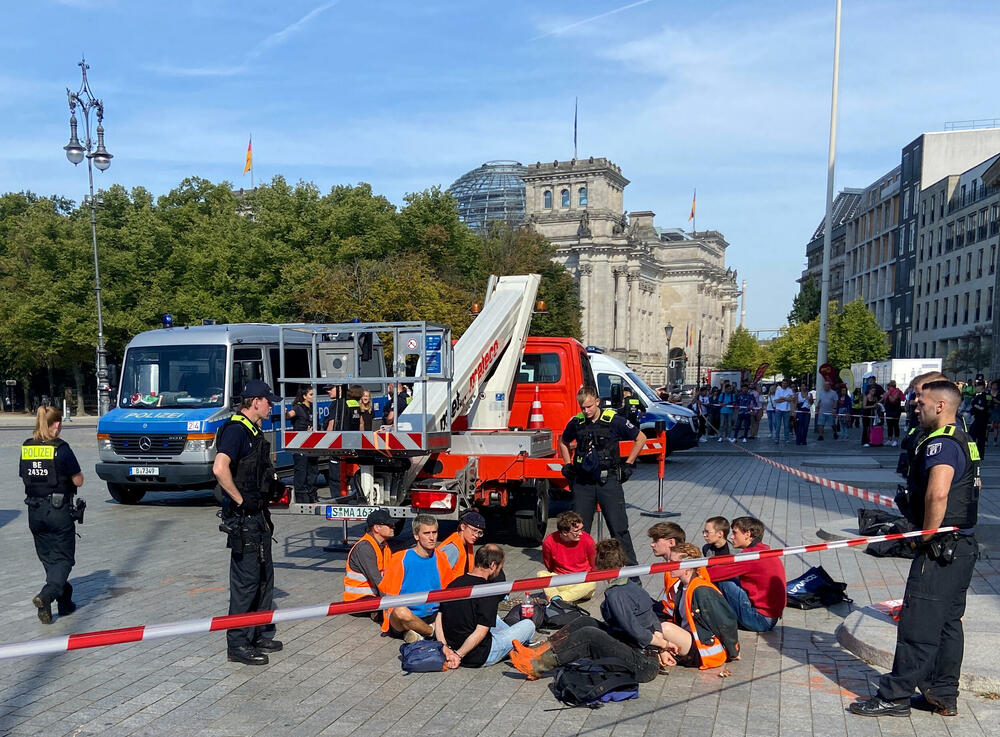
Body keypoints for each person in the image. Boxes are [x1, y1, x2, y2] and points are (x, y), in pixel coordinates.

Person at [850, 380, 980, 718]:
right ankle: (942, 693)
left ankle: (895, 697)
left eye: (921, 401)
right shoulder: (964, 438)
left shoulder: (941, 444)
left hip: (940, 548)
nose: (915, 406)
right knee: (949, 623)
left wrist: (925, 535)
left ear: (940, 406)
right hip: (962, 546)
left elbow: (938, 493)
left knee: (918, 624)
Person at [509, 542, 666, 682]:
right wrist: (659, 641)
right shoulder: (631, 585)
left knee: (589, 635)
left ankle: (536, 665)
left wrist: (663, 644)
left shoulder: (616, 594)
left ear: (598, 566)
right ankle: (536, 652)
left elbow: (636, 631)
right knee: (586, 622)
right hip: (643, 656)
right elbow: (651, 617)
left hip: (641, 665)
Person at [213, 380, 284, 665]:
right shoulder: (236, 430)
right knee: (246, 582)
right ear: (255, 401)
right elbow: (220, 468)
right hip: (245, 520)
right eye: (268, 401)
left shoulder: (254, 431)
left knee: (264, 578)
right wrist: (241, 500)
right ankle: (238, 643)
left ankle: (258, 631)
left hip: (259, 517)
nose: (271, 405)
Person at [559, 386, 646, 566]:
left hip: (609, 481)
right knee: (577, 530)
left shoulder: (613, 420)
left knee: (619, 528)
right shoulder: (577, 422)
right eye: (583, 408)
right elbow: (563, 441)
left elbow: (641, 438)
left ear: (597, 402)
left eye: (589, 406)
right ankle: (576, 570)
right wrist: (567, 464)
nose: (586, 411)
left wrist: (628, 464)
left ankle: (631, 572)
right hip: (583, 484)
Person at [20, 407, 84, 624]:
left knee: (49, 558)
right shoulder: (61, 449)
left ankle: (64, 602)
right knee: (64, 560)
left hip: (35, 513)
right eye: (57, 423)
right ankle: (45, 596)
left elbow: (25, 477)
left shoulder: (27, 448)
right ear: (54, 424)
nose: (59, 426)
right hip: (58, 512)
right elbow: (78, 480)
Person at [436, 544, 535, 668]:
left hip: (451, 646)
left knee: (495, 618)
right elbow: (480, 632)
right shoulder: (487, 592)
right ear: (493, 565)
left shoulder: (453, 584)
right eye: (500, 567)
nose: (499, 571)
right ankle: (516, 644)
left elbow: (439, 618)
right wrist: (458, 655)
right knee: (528, 625)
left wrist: (444, 647)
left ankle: (512, 639)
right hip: (479, 655)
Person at [658, 543, 740, 669]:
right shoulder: (683, 586)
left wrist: (733, 651)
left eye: (673, 562)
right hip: (691, 639)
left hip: (704, 649)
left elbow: (725, 622)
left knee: (665, 628)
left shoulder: (702, 591)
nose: (668, 565)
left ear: (687, 567)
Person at [379, 514, 454, 642]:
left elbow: (449, 590)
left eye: (434, 532)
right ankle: (431, 632)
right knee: (401, 612)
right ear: (416, 535)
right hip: (406, 615)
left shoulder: (441, 557)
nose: (432, 538)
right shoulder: (400, 559)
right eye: (426, 533)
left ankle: (417, 632)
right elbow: (389, 596)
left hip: (433, 615)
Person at [708, 516, 785, 632]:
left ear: (747, 534)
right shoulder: (763, 550)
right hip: (771, 616)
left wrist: (690, 569)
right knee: (729, 578)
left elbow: (713, 574)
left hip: (761, 620)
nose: (731, 537)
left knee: (723, 581)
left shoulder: (750, 556)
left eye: (735, 533)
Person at [343, 508, 395, 611]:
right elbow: (377, 580)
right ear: (377, 528)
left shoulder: (384, 546)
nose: (393, 527)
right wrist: (393, 602)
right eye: (389, 525)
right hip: (357, 601)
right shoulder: (365, 548)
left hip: (373, 596)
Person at [538, 510, 597, 602]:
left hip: (581, 582)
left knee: (591, 583)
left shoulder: (587, 540)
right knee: (541, 574)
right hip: (562, 580)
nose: (581, 533)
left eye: (582, 529)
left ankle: (557, 599)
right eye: (577, 531)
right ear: (565, 532)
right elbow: (549, 565)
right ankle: (562, 598)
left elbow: (594, 565)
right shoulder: (549, 542)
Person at [286, 385, 319, 503]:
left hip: (312, 443)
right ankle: (301, 496)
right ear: (304, 396)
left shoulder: (312, 408)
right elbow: (290, 414)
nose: (313, 397)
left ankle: (311, 493)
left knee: (313, 469)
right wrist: (285, 413)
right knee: (301, 470)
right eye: (311, 394)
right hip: (300, 444)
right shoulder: (299, 408)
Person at [437, 510, 486, 578]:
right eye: (474, 530)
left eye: (479, 533)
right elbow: (438, 576)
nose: (476, 535)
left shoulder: (467, 545)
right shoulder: (452, 549)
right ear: (463, 527)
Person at [969, 380, 991, 457]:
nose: (976, 388)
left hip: (982, 418)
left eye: (977, 386)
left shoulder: (986, 395)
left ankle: (978, 454)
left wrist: (976, 406)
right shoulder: (978, 395)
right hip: (978, 417)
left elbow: (984, 407)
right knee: (975, 436)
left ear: (981, 387)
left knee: (976, 436)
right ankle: (977, 454)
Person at [883, 380, 904, 447]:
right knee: (889, 425)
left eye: (888, 388)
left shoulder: (897, 392)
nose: (888, 389)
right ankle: (889, 439)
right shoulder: (888, 392)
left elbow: (893, 400)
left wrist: (888, 395)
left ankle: (896, 440)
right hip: (889, 411)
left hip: (895, 411)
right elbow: (884, 399)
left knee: (895, 425)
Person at [772, 379, 793, 443]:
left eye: (785, 383)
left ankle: (787, 438)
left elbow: (791, 399)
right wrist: (786, 399)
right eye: (783, 383)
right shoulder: (778, 390)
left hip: (786, 410)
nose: (784, 384)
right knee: (778, 425)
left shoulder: (790, 390)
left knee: (786, 425)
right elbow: (776, 400)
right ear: (781, 384)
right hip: (778, 410)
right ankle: (777, 438)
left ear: (787, 384)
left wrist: (782, 398)